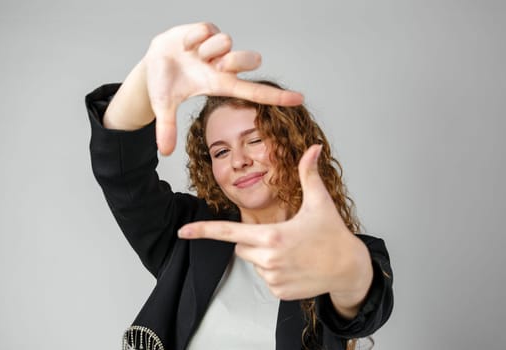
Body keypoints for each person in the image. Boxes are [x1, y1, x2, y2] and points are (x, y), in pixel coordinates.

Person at [86, 22, 393, 350]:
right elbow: (122, 173)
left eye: (256, 139)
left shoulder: (344, 249)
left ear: (292, 143)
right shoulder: (190, 232)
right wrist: (147, 76)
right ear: (210, 167)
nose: (239, 160)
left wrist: (346, 268)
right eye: (221, 151)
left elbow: (361, 300)